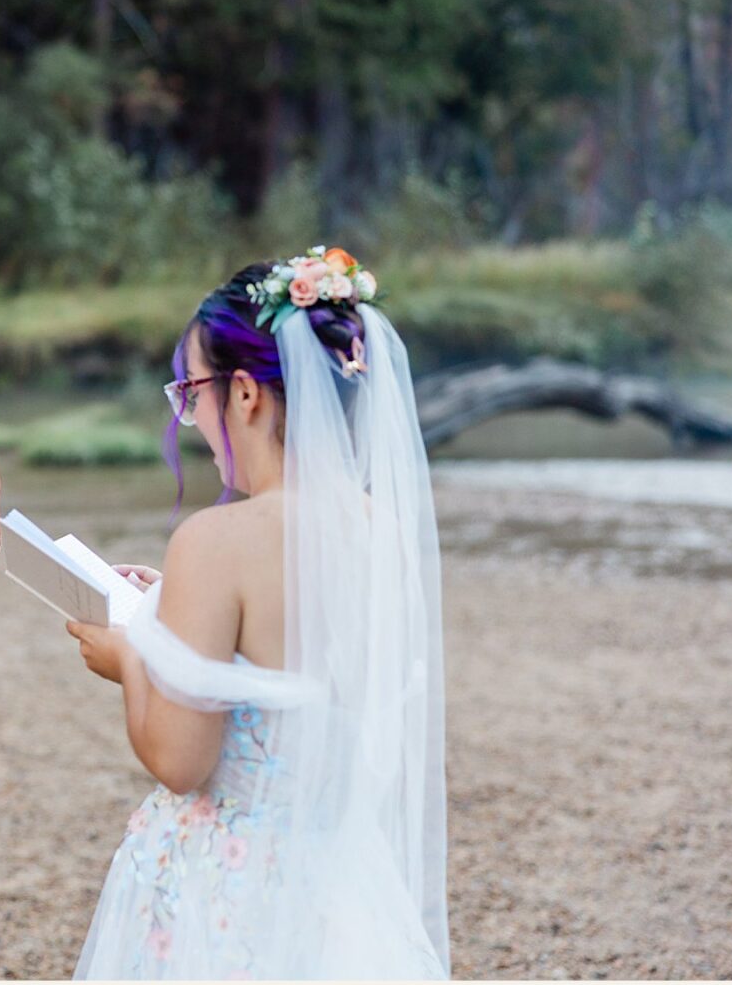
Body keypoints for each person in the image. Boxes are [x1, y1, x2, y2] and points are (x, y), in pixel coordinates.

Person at [64, 248, 450, 979]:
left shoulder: (215, 541)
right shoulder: (379, 526)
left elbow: (182, 759)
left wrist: (131, 653)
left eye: (193, 392)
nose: (190, 418)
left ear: (245, 394)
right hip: (337, 881)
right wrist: (166, 614)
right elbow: (303, 678)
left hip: (224, 890)